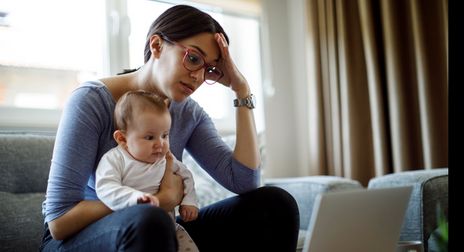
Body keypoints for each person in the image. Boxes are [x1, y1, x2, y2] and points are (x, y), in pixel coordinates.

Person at [41, 4, 299, 252]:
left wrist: (241, 89)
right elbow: (59, 221)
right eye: (194, 58)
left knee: (275, 205)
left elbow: (245, 182)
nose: (198, 76)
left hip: (159, 230)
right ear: (157, 45)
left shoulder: (188, 113)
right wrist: (159, 200)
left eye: (208, 69)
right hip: (80, 238)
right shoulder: (91, 101)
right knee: (148, 220)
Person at [95, 90, 199, 252]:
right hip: (133, 230)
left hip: (171, 229)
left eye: (165, 135)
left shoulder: (166, 158)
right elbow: (106, 188)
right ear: (123, 139)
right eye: (150, 137)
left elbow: (186, 176)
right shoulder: (115, 159)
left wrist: (190, 201)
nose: (160, 144)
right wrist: (136, 199)